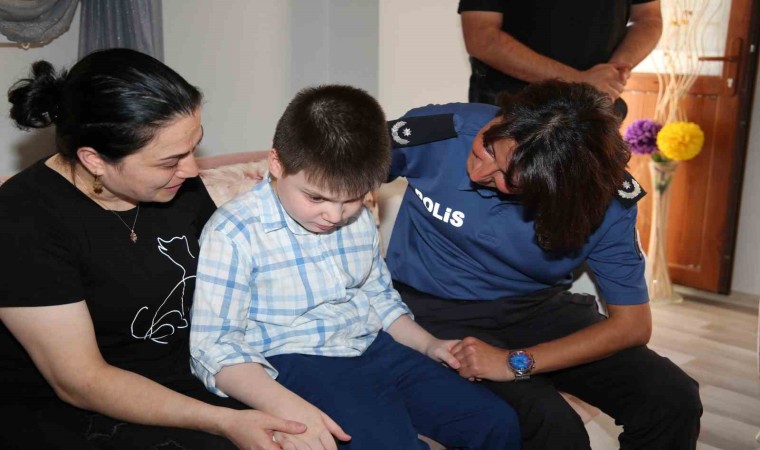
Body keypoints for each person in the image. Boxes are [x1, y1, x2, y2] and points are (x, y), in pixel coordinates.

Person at [0, 48, 307, 450]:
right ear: (94, 160)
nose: (192, 170)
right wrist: (226, 421)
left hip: (189, 376)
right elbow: (80, 381)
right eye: (170, 160)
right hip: (84, 408)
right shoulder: (23, 219)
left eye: (194, 147)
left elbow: (236, 286)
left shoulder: (177, 188)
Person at [189, 84, 521, 450]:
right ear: (277, 164)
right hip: (295, 360)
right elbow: (215, 346)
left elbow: (379, 298)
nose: (334, 215)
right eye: (316, 197)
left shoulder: (357, 218)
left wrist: (430, 345)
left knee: (496, 422)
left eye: (351, 199)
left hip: (374, 347)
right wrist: (282, 404)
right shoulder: (234, 232)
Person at [385, 79, 702, 450]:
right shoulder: (442, 131)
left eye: (509, 179)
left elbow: (632, 325)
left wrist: (515, 363)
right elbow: (336, 165)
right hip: (432, 307)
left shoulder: (605, 198)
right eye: (488, 147)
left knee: (672, 399)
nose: (479, 172)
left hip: (537, 309)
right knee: (551, 426)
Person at [459, 0, 663, 106]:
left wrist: (612, 72)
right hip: (512, 107)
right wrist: (580, 80)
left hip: (594, 106)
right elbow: (481, 37)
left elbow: (649, 18)